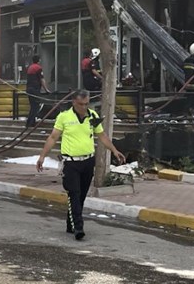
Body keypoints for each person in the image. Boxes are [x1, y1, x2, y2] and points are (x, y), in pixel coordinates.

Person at [36, 91, 126, 240]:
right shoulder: (64, 117)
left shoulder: (92, 116)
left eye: (86, 104)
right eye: (81, 104)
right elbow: (53, 137)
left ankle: (70, 224)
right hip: (71, 162)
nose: (84, 107)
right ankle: (78, 227)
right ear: (74, 102)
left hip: (88, 161)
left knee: (81, 196)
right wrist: (42, 156)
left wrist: (114, 151)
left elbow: (102, 136)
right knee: (74, 193)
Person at [25, 55, 49, 128]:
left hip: (29, 89)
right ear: (39, 60)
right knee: (35, 106)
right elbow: (42, 79)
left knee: (32, 106)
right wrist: (46, 89)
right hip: (35, 89)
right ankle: (30, 122)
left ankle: (30, 122)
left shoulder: (30, 67)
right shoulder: (38, 68)